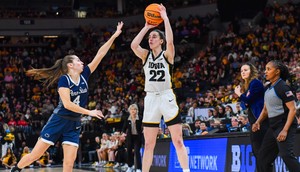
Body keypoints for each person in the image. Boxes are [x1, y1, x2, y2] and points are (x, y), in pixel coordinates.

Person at [10, 21, 123, 172]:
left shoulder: (84, 75)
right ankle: (16, 169)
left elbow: (100, 54)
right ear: (70, 65)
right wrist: (90, 112)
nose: (82, 62)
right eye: (78, 60)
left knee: (69, 164)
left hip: (74, 123)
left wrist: (114, 36)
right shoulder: (64, 80)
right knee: (35, 155)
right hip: (59, 120)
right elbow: (68, 104)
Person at [130, 4, 189, 172]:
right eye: (150, 37)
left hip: (166, 96)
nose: (150, 39)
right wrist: (146, 27)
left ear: (161, 41)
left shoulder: (167, 54)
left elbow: (170, 41)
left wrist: (165, 19)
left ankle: (186, 170)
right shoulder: (145, 56)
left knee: (177, 140)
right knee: (149, 143)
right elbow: (134, 45)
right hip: (151, 99)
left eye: (154, 36)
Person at [252, 60, 300, 172]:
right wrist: (258, 122)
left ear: (277, 71)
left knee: (287, 156)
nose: (265, 72)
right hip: (273, 126)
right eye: (265, 69)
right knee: (263, 158)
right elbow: (265, 110)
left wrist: (285, 130)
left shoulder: (283, 87)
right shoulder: (268, 88)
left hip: (283, 125)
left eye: (269, 69)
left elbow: (293, 109)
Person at [234, 63, 268, 165]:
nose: (243, 72)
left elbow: (247, 100)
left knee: (260, 151)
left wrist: (239, 94)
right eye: (241, 71)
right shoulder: (248, 86)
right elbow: (246, 104)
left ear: (251, 71)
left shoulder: (255, 83)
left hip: (260, 119)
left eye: (245, 70)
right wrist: (244, 98)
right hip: (253, 119)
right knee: (256, 151)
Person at [121, 104, 143, 172]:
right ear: (129, 111)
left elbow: (143, 126)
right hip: (130, 137)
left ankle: (139, 168)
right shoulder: (127, 118)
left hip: (137, 137)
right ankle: (130, 166)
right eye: (132, 109)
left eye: (135, 109)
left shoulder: (140, 118)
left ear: (137, 110)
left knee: (137, 152)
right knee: (129, 152)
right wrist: (123, 134)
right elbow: (124, 128)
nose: (133, 111)